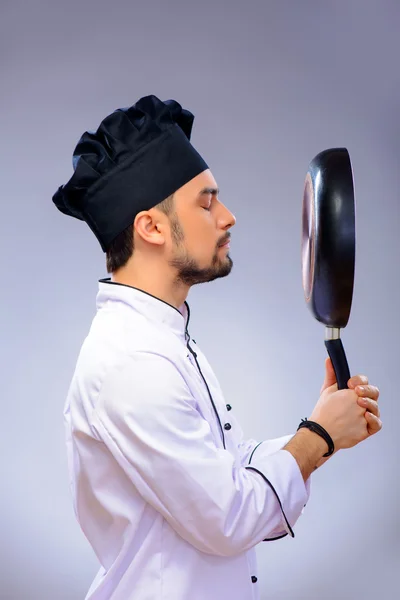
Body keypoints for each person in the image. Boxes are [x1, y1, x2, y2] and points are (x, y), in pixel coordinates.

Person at [53, 95, 381, 600]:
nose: (228, 217)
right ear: (152, 227)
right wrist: (318, 438)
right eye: (206, 202)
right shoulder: (132, 363)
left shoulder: (164, 339)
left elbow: (227, 471)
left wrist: (321, 423)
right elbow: (228, 517)